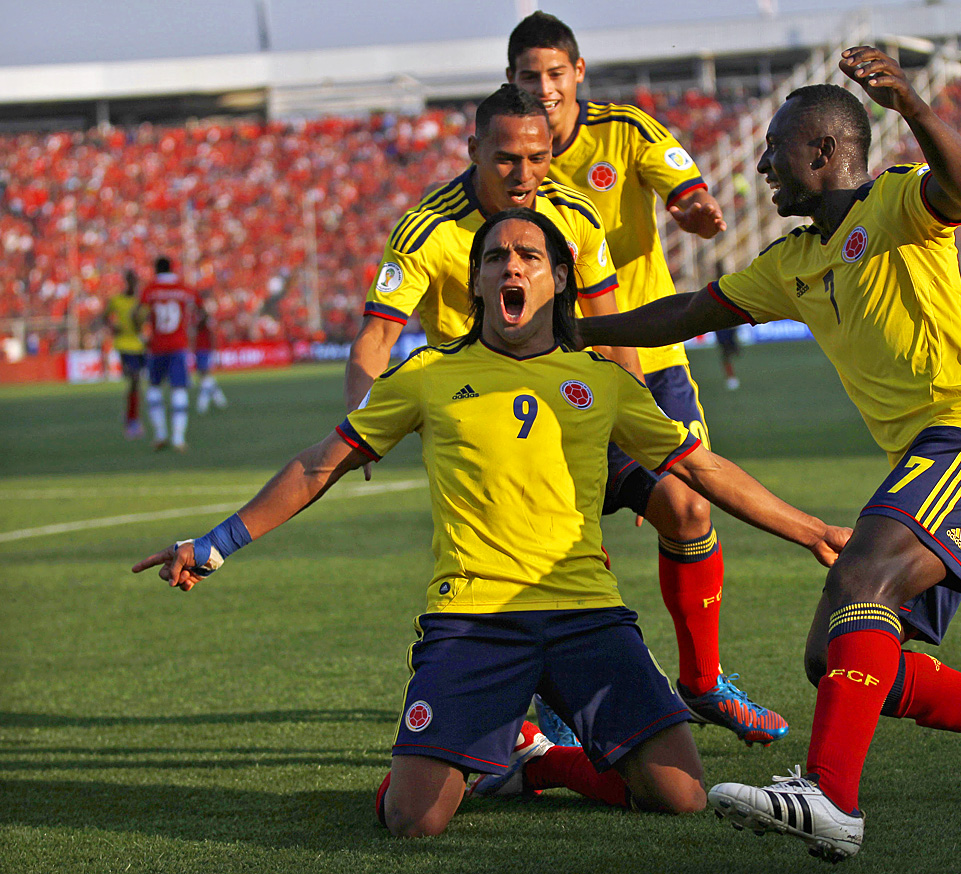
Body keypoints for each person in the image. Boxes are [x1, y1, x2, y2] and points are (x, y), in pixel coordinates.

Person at [133, 209, 851, 839]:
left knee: (683, 797)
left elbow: (704, 470)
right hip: (474, 620)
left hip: (587, 616)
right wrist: (217, 543)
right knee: (412, 821)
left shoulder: (602, 381)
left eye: (529, 256)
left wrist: (815, 532)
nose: (511, 266)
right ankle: (479, 753)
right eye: (494, 258)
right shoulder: (426, 375)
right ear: (475, 284)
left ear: (559, 279)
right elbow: (321, 463)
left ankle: (539, 763)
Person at [579, 47, 961, 861]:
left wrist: (915, 107)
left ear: (821, 153)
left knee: (861, 580)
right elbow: (680, 313)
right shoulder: (792, 262)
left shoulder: (896, 202)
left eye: (774, 151)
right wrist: (573, 332)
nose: (760, 167)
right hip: (929, 453)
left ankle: (830, 798)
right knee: (837, 655)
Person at [507, 12, 787, 746]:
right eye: (529, 76)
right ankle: (560, 697)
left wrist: (694, 209)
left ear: (578, 74)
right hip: (556, 374)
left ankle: (703, 681)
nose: (543, 89)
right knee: (566, 536)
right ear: (511, 81)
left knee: (691, 509)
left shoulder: (626, 130)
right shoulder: (510, 158)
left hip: (649, 360)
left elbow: (683, 186)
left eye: (555, 74)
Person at [343, 84, 638, 440]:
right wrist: (361, 426)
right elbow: (377, 337)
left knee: (683, 498)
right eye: (507, 159)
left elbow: (610, 331)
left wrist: (639, 417)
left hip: (565, 397)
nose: (524, 174)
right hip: (471, 410)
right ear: (474, 151)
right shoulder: (428, 229)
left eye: (537, 157)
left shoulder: (575, 216)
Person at [138, 256, 200, 452]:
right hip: (178, 346)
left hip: (156, 347)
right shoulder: (183, 288)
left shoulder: (150, 290)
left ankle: (160, 434)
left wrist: (142, 334)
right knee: (179, 390)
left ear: (155, 269)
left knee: (154, 389)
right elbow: (200, 309)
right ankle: (179, 438)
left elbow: (138, 314)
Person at [104, 269, 146, 438]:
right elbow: (104, 316)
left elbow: (140, 324)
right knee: (134, 378)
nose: (132, 284)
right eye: (130, 280)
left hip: (139, 346)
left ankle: (131, 411)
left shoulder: (140, 302)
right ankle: (132, 421)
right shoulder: (116, 300)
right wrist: (112, 327)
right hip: (123, 345)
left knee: (136, 383)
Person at [193, 302, 228, 414]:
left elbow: (213, 336)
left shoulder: (207, 321)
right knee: (203, 375)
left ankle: (203, 402)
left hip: (205, 350)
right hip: (199, 350)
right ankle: (219, 398)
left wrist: (215, 351)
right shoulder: (196, 320)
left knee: (204, 374)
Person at [714, 327, 741, 391]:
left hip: (728, 328)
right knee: (726, 355)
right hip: (722, 330)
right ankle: (731, 377)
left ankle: (731, 377)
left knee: (728, 355)